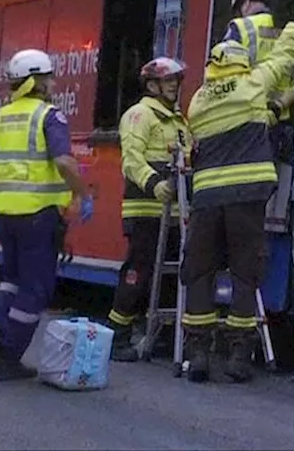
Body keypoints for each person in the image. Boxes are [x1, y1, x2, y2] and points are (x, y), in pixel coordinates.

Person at [181, 0, 294, 382]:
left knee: (201, 272)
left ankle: (197, 354)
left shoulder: (198, 103)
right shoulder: (253, 85)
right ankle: (239, 358)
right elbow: (286, 52)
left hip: (207, 199)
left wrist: (269, 113)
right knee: (245, 274)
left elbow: (234, 129)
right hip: (248, 197)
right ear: (243, 65)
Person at [0, 49, 94, 379]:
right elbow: (64, 162)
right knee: (35, 288)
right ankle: (7, 356)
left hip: (4, 215)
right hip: (38, 215)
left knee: (10, 279)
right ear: (36, 82)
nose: (53, 82)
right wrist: (84, 194)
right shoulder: (49, 116)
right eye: (48, 77)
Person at [106, 57, 192, 362]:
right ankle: (117, 336)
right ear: (152, 85)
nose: (174, 86)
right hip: (145, 208)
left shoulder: (179, 121)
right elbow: (131, 160)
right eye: (169, 81)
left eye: (176, 81)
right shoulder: (139, 115)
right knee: (138, 274)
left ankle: (162, 338)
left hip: (174, 212)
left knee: (170, 278)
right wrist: (155, 183)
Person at [222, 0, 294, 159]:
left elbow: (223, 67)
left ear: (245, 4)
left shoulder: (240, 27)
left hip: (252, 119)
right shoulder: (286, 27)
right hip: (284, 118)